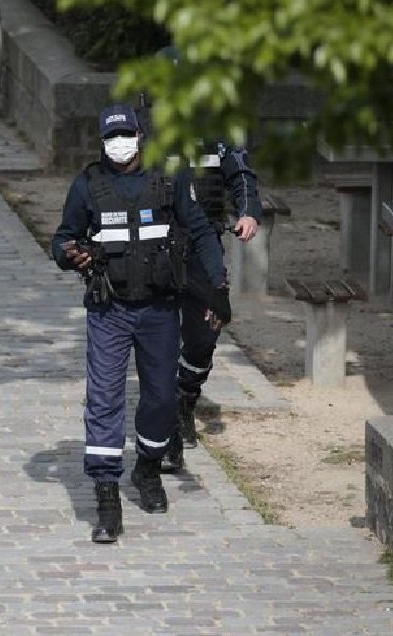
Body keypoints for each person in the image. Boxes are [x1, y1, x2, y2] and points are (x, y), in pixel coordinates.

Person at [51, 104, 231, 544]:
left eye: (126, 134)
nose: (119, 144)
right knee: (104, 399)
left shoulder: (169, 181)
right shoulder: (87, 186)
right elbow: (61, 239)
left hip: (159, 310)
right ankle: (106, 492)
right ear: (101, 141)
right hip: (109, 311)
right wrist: (69, 253)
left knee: (160, 398)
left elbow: (203, 232)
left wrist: (218, 286)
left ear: (140, 135)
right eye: (111, 137)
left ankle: (148, 468)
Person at [138, 46, 263, 471]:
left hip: (204, 243)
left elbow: (241, 173)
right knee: (157, 333)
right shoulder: (139, 132)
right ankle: (164, 416)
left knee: (206, 331)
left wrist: (247, 211)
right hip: (155, 247)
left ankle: (186, 400)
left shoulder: (218, 128)